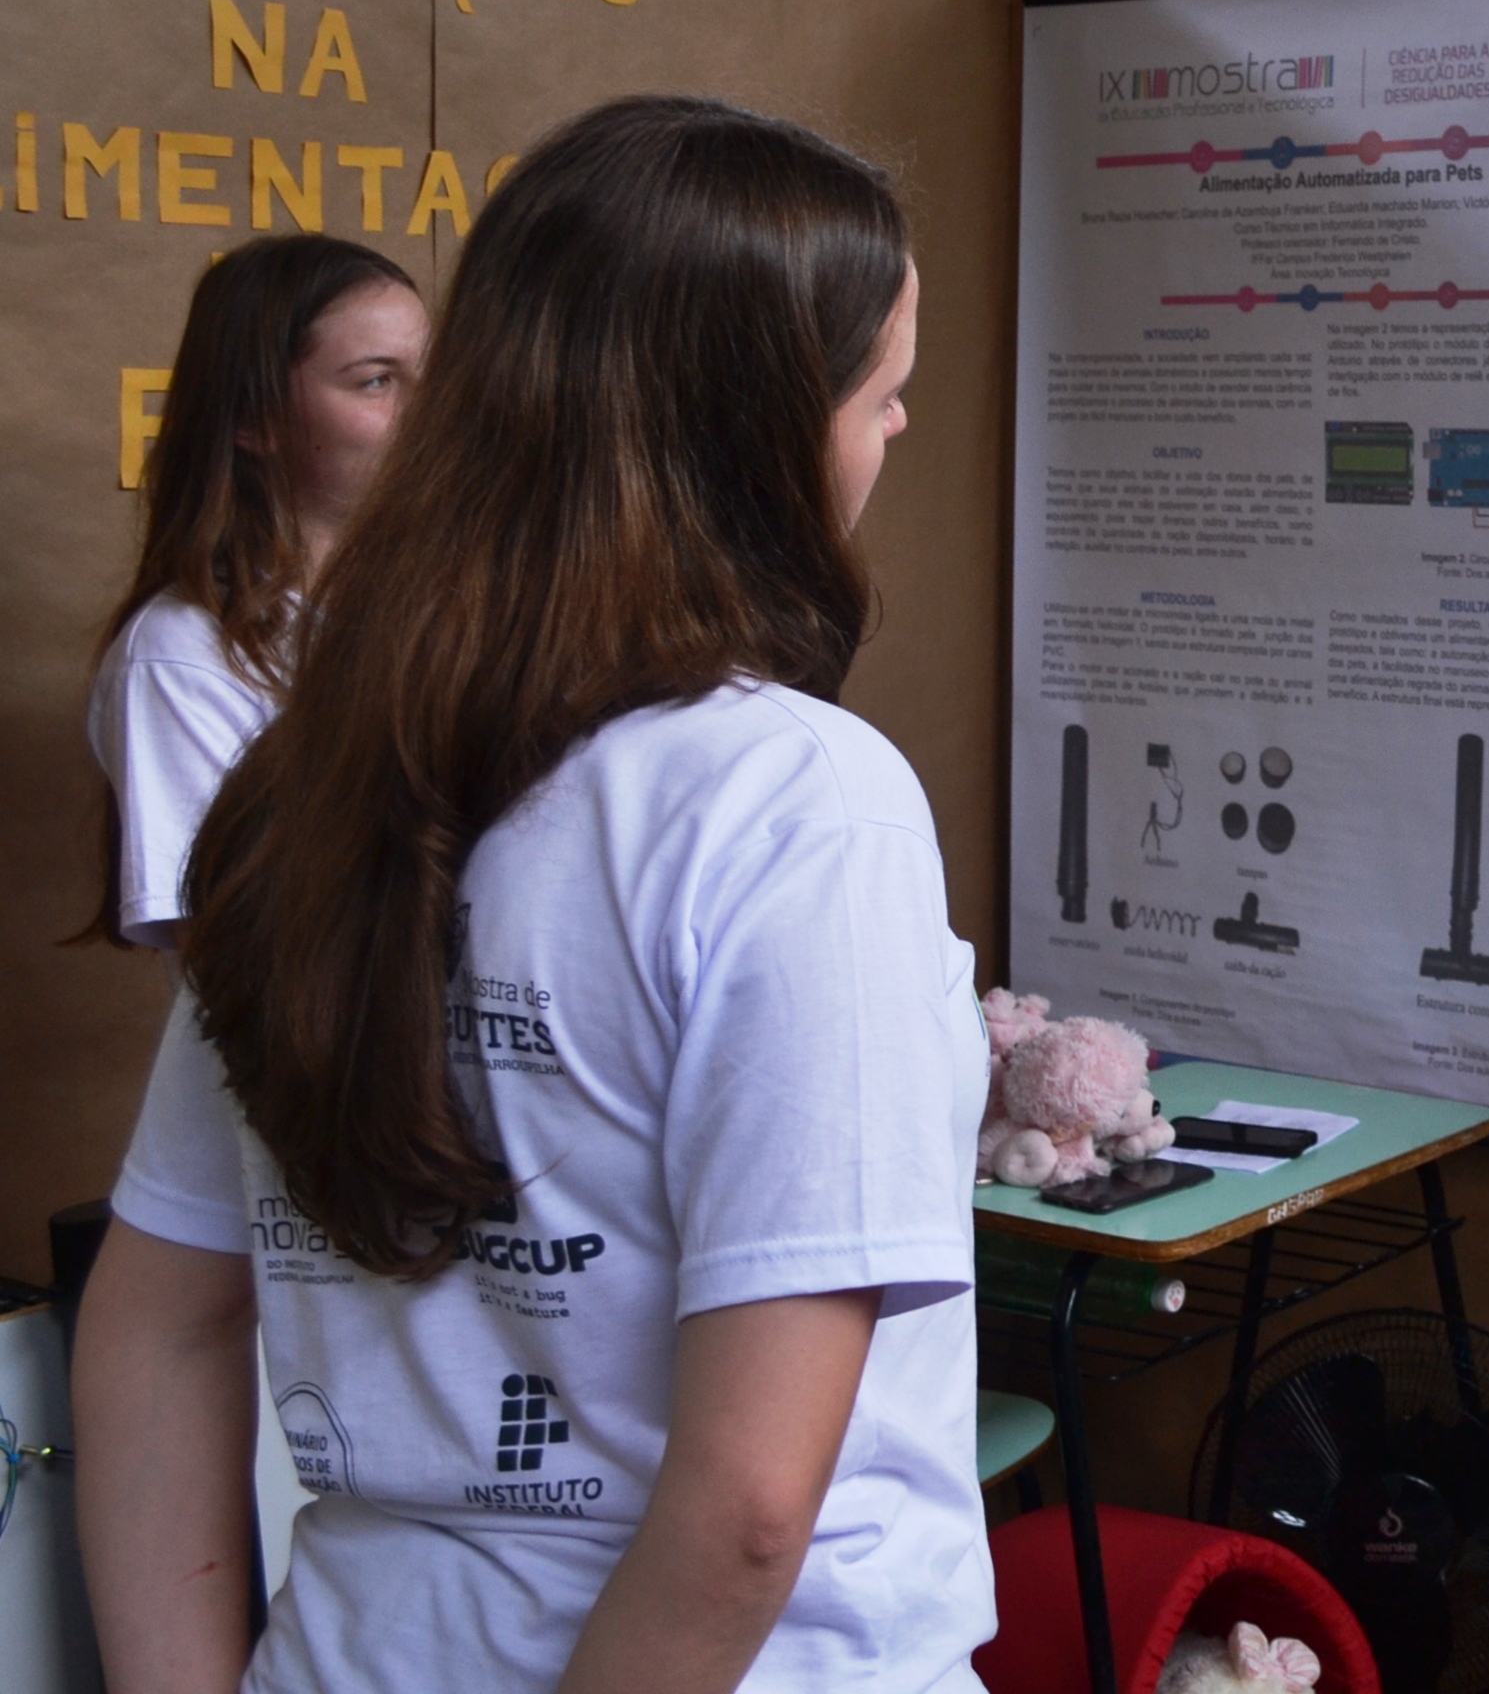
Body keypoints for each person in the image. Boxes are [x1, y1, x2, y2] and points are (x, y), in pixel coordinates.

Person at [72, 95, 992, 1694]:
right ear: (762, 432)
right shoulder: (793, 797)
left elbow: (156, 1325)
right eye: (881, 391)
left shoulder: (312, 782)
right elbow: (751, 1511)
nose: (898, 429)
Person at [84, 233, 425, 948]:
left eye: (435, 373)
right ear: (252, 420)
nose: (428, 410)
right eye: (376, 380)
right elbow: (243, 945)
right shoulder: (182, 654)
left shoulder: (438, 609)